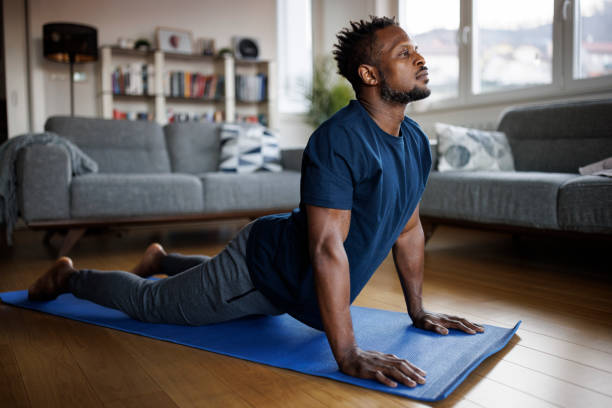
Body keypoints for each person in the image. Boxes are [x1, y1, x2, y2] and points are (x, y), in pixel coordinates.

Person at [29, 16, 483, 389]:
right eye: (404, 53)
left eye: (416, 49)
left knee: (208, 287)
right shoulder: (339, 139)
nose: (420, 58)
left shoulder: (417, 142)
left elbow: (407, 229)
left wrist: (418, 310)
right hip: (261, 272)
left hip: (286, 274)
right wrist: (346, 353)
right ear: (369, 75)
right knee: (151, 304)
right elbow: (328, 249)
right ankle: (71, 277)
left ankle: (163, 256)